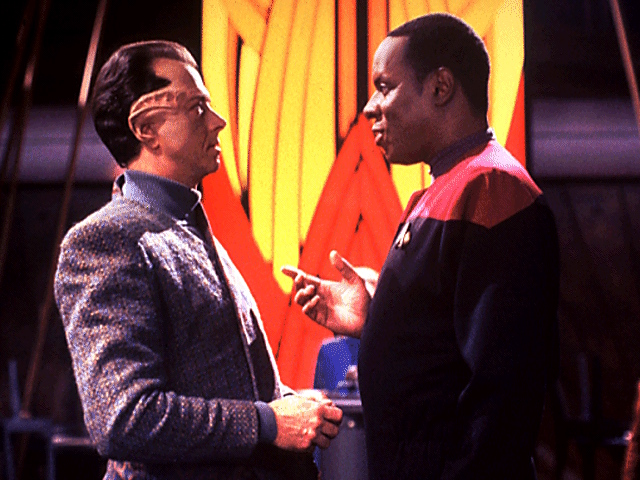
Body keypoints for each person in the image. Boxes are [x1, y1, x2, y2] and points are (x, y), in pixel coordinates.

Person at [283, 13, 559, 479]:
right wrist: (377, 319)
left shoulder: (490, 188)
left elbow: (502, 389)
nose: (370, 108)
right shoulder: (449, 186)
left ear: (440, 87)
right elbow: (445, 346)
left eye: (385, 87)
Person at [54, 40, 342, 480]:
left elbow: (223, 385)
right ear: (147, 127)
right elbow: (125, 417)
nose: (218, 121)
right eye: (197, 108)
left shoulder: (185, 228)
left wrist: (292, 406)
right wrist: (268, 422)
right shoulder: (108, 240)